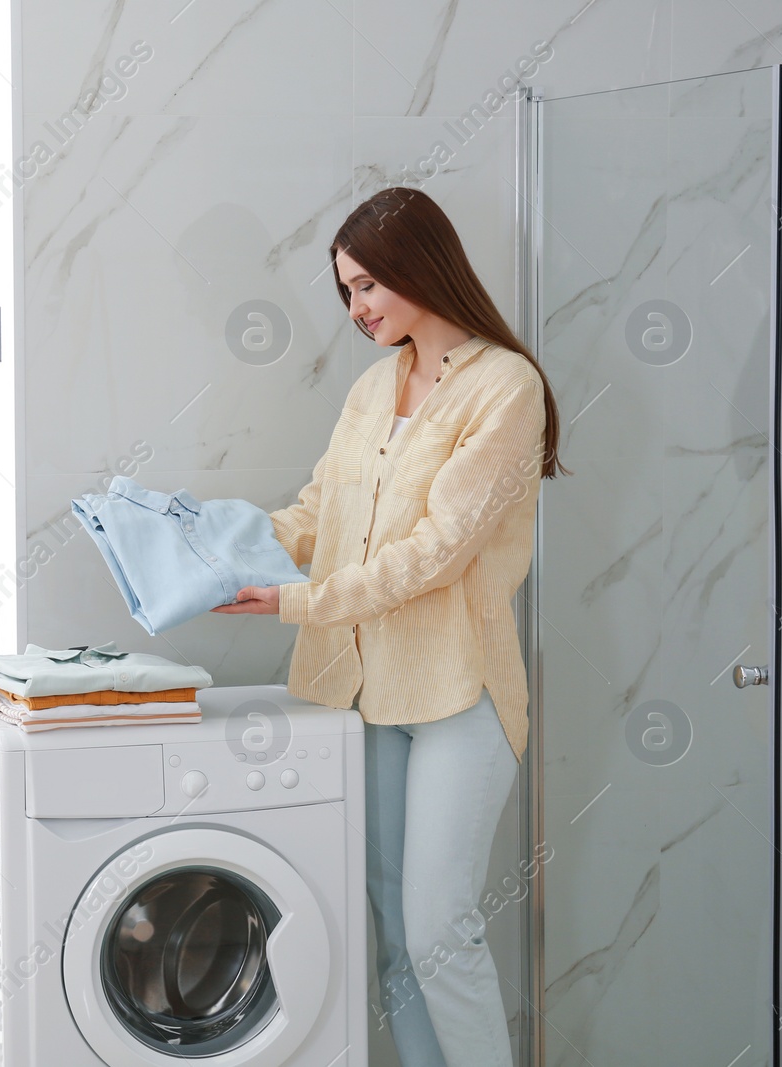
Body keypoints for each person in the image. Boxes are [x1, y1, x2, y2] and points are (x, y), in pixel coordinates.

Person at [212, 185, 568, 1066]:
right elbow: (319, 510)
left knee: (441, 931)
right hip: (364, 690)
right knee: (391, 931)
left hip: (459, 695)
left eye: (368, 284)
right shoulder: (376, 387)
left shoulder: (505, 388)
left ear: (420, 266)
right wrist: (217, 545)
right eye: (347, 292)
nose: (358, 308)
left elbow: (436, 552)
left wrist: (294, 601)